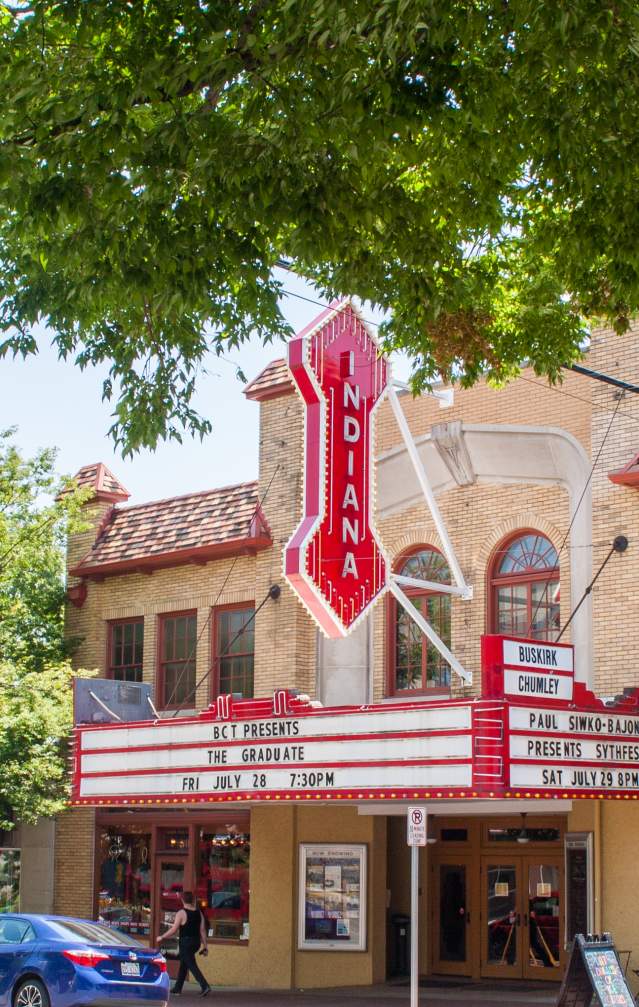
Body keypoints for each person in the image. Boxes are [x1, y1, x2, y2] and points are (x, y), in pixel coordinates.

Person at [157, 891, 211, 997]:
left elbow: (173, 929)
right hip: (196, 943)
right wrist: (205, 946)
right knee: (184, 963)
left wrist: (162, 937)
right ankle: (178, 988)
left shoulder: (181, 913)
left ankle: (205, 986)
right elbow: (203, 930)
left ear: (182, 900)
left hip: (186, 943)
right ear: (192, 900)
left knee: (191, 965)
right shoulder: (198, 912)